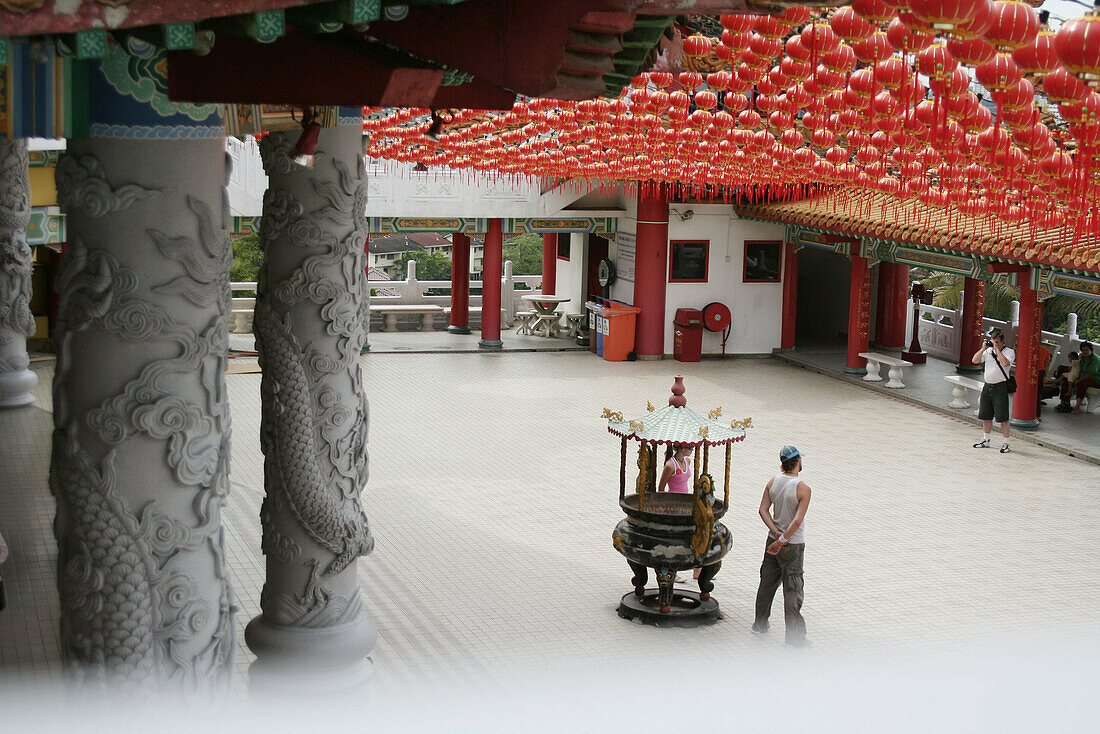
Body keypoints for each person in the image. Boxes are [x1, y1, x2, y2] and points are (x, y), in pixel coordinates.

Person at [752, 445, 811, 647]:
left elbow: (762, 510)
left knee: (767, 584)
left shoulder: (773, 482)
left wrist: (775, 533)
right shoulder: (803, 489)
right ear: (796, 461)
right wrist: (783, 540)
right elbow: (796, 522)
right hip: (792, 545)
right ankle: (794, 638)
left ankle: (760, 624)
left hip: (772, 540)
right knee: (793, 589)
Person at [972, 328, 1015, 453]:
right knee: (986, 415)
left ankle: (1006, 443)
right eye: (993, 341)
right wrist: (983, 349)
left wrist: (997, 350)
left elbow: (1005, 363)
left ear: (1002, 342)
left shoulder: (1009, 352)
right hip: (987, 387)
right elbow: (975, 360)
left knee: (1003, 417)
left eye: (997, 342)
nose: (994, 344)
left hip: (1000, 387)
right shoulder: (988, 351)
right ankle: (986, 439)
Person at [658, 444, 697, 583]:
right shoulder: (670, 465)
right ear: (681, 448)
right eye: (690, 448)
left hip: (686, 503)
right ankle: (672, 568)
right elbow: (661, 487)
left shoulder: (687, 461)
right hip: (674, 505)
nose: (692, 451)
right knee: (674, 538)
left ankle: (697, 569)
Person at [1061, 341, 1100, 414]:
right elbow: (1078, 366)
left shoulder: (1094, 360)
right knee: (1067, 380)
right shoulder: (1082, 357)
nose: (1085, 352)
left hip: (1096, 380)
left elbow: (1090, 374)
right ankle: (1065, 403)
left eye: (1086, 350)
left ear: (1091, 350)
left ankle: (1077, 406)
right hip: (1083, 376)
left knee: (1082, 383)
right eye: (1083, 350)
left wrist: (1079, 380)